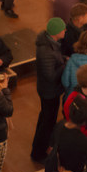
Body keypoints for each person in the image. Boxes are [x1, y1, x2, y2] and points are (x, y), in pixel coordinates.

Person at [31, 17, 67, 163]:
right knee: (48, 121)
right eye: (63, 29)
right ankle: (38, 152)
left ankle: (38, 146)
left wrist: (63, 60)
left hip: (48, 90)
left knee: (45, 118)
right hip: (49, 91)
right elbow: (51, 75)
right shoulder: (46, 51)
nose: (65, 31)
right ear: (56, 32)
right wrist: (64, 66)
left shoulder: (50, 44)